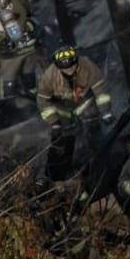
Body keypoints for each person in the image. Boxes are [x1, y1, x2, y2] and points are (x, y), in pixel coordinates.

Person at [37, 45, 114, 180]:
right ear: (58, 67)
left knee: (92, 124)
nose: (70, 70)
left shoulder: (87, 66)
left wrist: (105, 112)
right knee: (66, 135)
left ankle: (98, 149)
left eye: (72, 66)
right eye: (65, 68)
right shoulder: (49, 76)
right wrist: (54, 122)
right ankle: (67, 164)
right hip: (61, 106)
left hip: (83, 102)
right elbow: (43, 101)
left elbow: (100, 90)